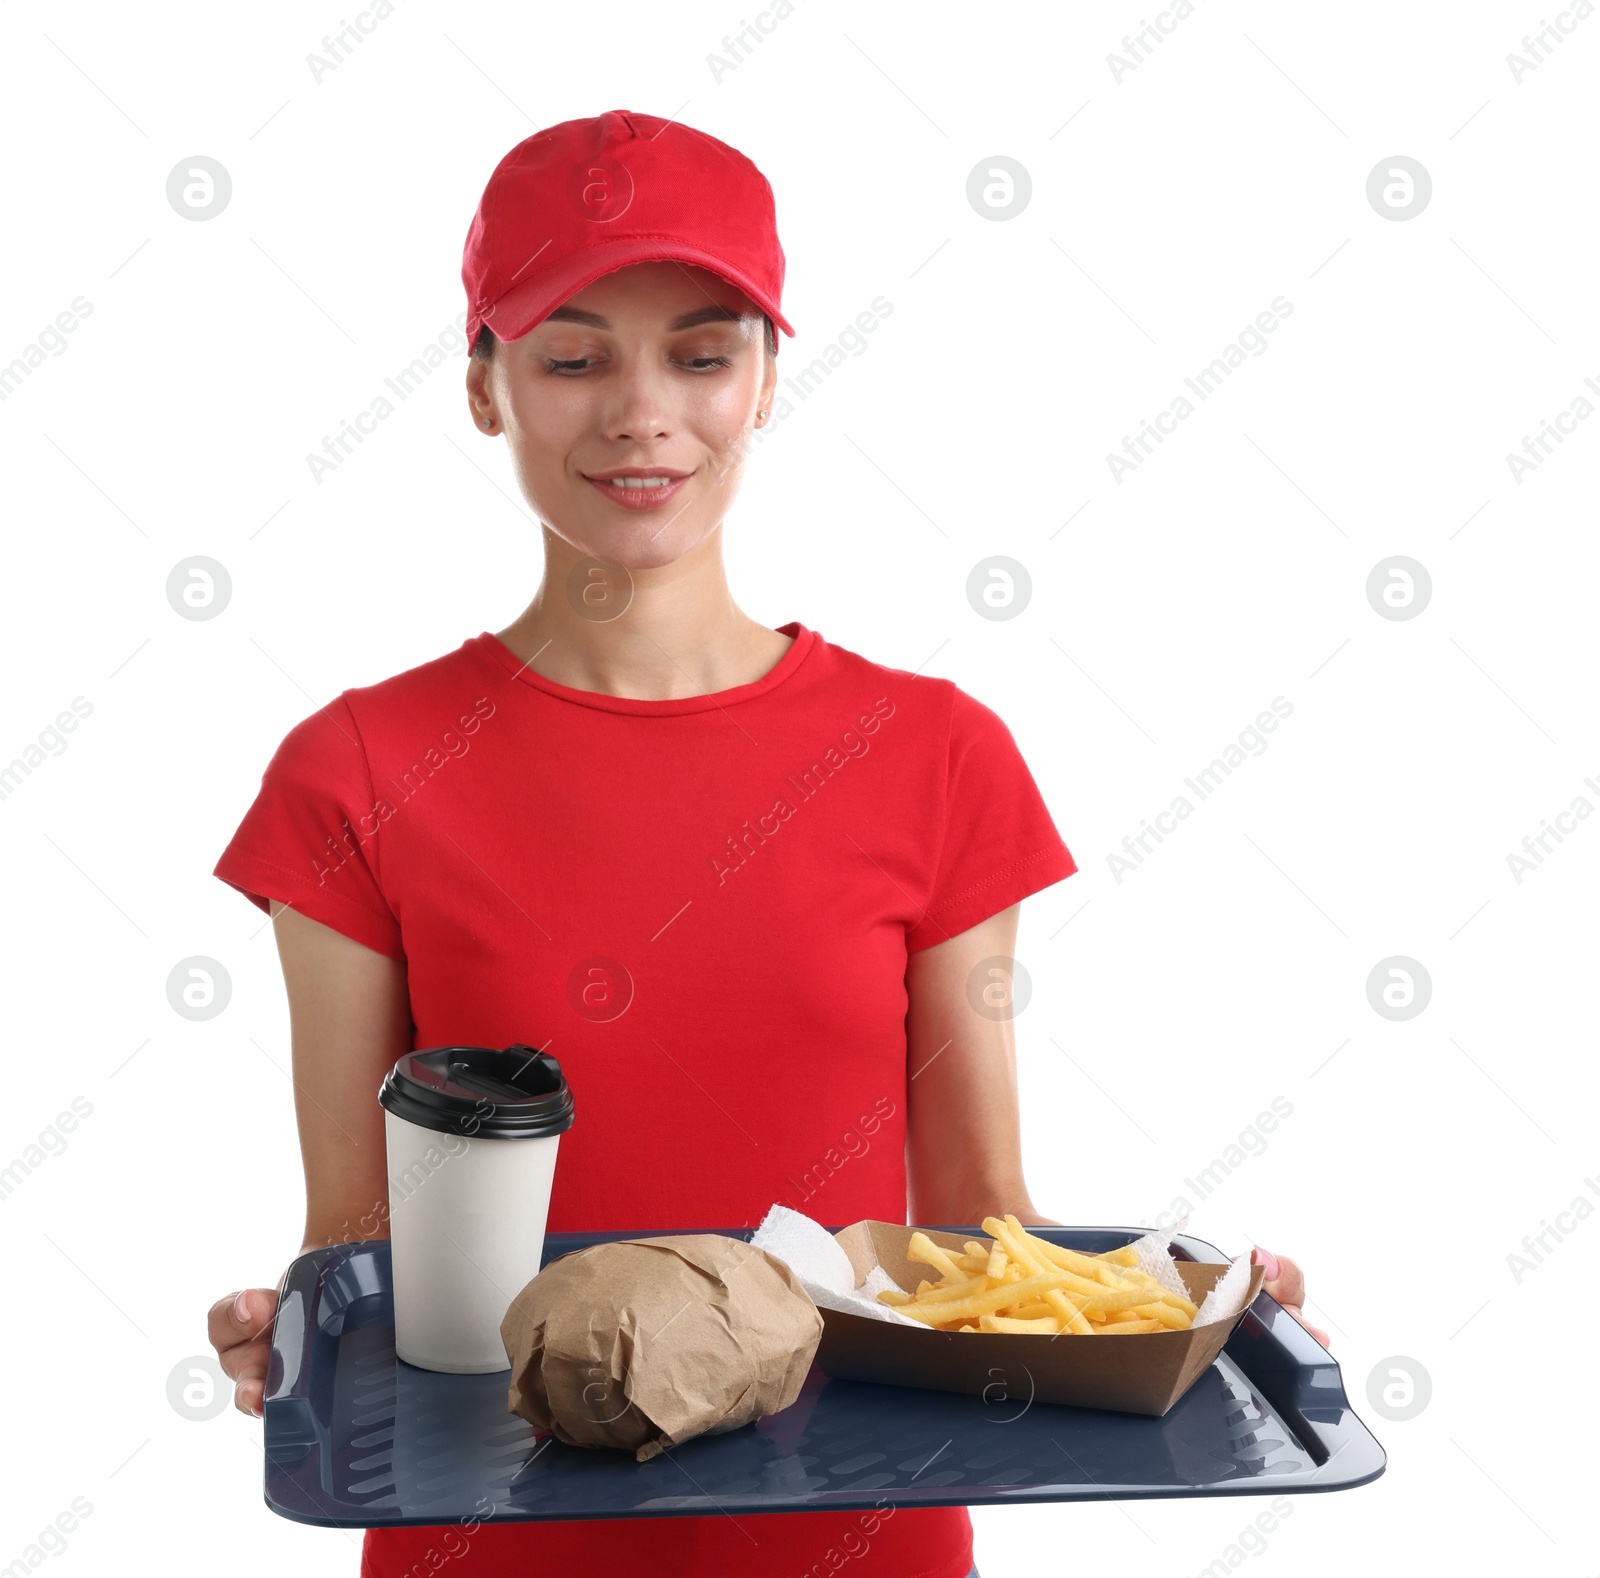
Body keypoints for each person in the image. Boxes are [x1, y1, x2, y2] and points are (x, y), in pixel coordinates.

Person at [206, 108, 1323, 1578]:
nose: (641, 412)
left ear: (770, 379)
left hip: (865, 1536)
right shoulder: (356, 772)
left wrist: (1189, 1313)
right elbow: (362, 1250)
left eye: (703, 352)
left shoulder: (936, 756)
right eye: (572, 353)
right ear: (484, 384)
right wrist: (285, 1327)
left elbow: (979, 1230)